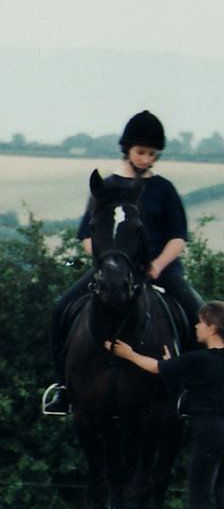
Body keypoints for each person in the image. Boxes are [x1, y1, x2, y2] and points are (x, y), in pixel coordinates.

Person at [43, 109, 205, 412]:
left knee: (200, 313)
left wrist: (157, 264)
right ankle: (62, 387)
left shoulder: (164, 189)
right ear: (127, 150)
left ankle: (190, 390)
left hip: (160, 271)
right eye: (141, 152)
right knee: (61, 308)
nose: (146, 159)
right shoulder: (105, 188)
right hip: (112, 270)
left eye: (152, 154)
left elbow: (178, 237)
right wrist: (107, 265)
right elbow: (87, 236)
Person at [108, 301, 224, 509]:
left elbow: (156, 368)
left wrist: (129, 354)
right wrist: (173, 358)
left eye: (200, 322)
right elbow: (189, 378)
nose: (196, 326)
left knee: (199, 499)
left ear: (212, 327)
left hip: (206, 432)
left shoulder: (200, 359)